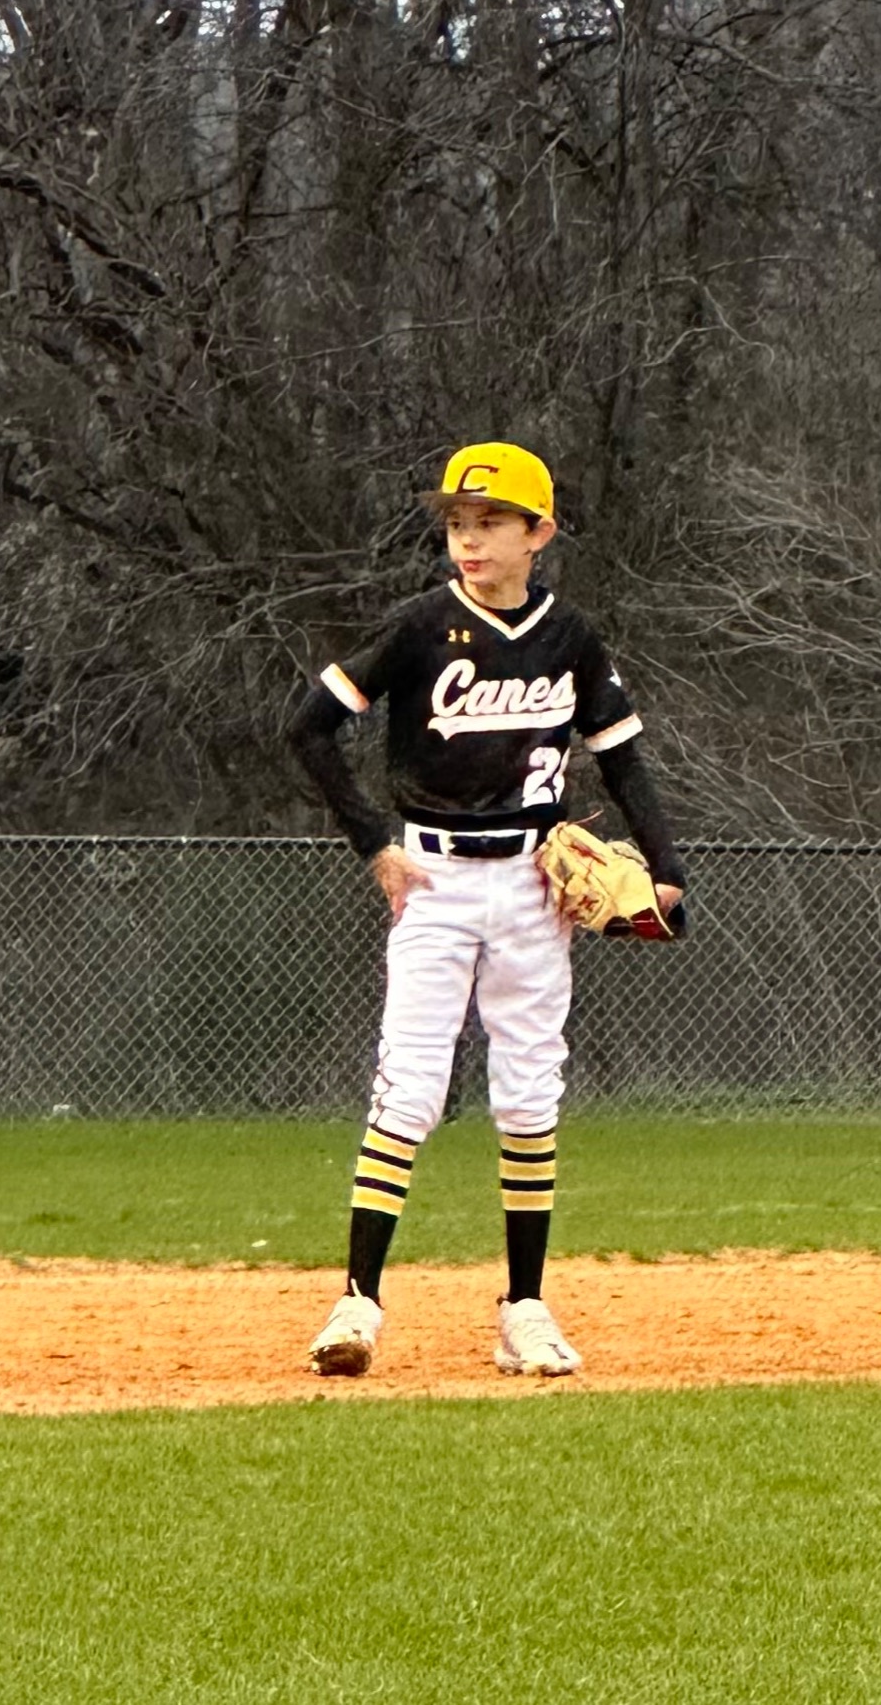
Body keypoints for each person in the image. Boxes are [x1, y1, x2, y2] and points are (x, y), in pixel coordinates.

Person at [286, 441, 686, 1378]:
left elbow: (622, 758)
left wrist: (667, 867)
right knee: (409, 1088)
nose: (469, 539)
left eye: (491, 522)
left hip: (537, 886)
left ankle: (524, 1308)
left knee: (530, 1092)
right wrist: (374, 842)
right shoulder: (422, 626)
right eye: (459, 523)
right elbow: (307, 727)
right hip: (432, 880)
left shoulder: (570, 637)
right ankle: (357, 1304)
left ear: (538, 533)